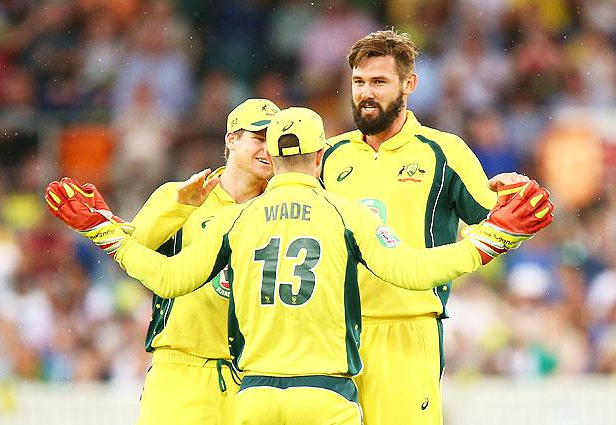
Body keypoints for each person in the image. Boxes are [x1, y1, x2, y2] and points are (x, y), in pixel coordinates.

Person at [45, 107, 553, 425]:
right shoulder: (337, 212)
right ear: (318, 156)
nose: (263, 145)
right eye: (252, 135)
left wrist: (104, 232)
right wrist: (489, 240)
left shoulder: (242, 220)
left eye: (270, 137)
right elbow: (409, 271)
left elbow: (165, 274)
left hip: (252, 389)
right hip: (274, 384)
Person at [320, 30, 528, 425]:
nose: (366, 93)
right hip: (333, 334)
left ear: (409, 84)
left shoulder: (443, 151)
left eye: (379, 82)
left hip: (409, 328)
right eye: (358, 82)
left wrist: (514, 200)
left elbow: (500, 220)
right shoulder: (328, 155)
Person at [107, 98, 279, 425]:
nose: (268, 148)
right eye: (259, 137)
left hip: (252, 375)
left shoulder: (279, 207)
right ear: (231, 139)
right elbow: (132, 251)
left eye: (275, 141)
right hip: (180, 368)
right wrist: (180, 208)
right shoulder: (180, 193)